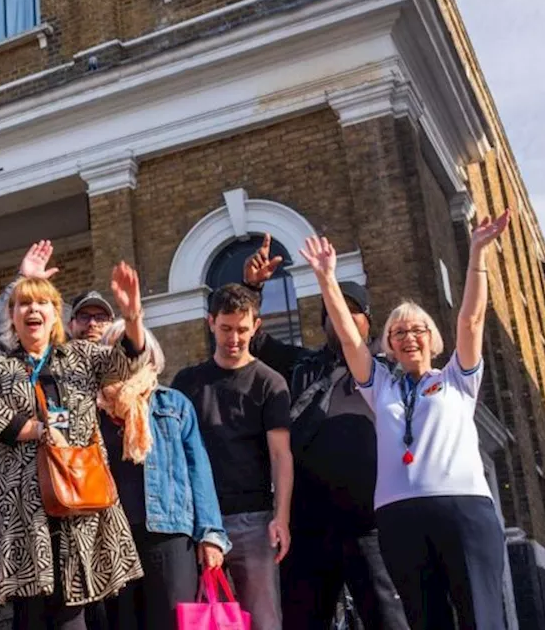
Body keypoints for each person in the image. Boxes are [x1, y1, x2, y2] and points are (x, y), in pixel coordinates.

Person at [301, 209, 513, 630]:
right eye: (399, 333)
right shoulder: (381, 385)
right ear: (390, 346)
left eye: (418, 330)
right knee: (423, 619)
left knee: (480, 617)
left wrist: (476, 255)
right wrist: (326, 278)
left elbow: (470, 320)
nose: (409, 337)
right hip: (400, 518)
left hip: (463, 510)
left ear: (432, 339)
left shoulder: (457, 378)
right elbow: (348, 336)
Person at [237, 235, 408, 630]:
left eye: (354, 312)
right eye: (334, 311)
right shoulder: (301, 365)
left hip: (370, 527)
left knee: (389, 621)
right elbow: (255, 341)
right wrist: (252, 288)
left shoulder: (387, 375)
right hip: (307, 527)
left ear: (369, 321)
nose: (343, 319)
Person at [0, 262, 149, 630]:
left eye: (42, 303)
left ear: (56, 314)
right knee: (30, 617)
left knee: (76, 617)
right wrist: (39, 429)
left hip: (78, 505)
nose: (33, 310)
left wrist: (132, 315)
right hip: (22, 515)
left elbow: (125, 364)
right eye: (24, 304)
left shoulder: (81, 356)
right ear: (13, 316)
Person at [170, 284, 293, 630]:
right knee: (208, 620)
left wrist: (281, 518)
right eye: (226, 328)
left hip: (255, 519)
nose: (234, 338)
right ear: (210, 322)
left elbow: (281, 455)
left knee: (264, 619)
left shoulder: (270, 383)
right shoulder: (187, 382)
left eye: (242, 329)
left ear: (256, 325)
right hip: (199, 522)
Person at [97, 321, 230, 630]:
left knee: (173, 623)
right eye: (116, 348)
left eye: (130, 346)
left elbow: (199, 469)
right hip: (114, 539)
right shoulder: (95, 409)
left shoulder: (173, 404)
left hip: (169, 535)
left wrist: (211, 535)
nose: (124, 355)